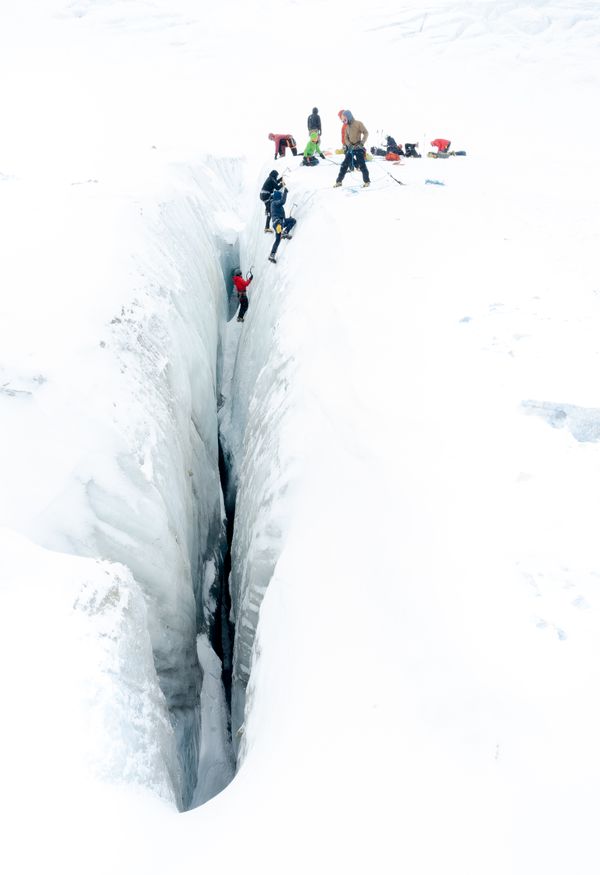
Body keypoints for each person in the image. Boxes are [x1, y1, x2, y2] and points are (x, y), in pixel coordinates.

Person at [333, 110, 370, 187]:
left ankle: (367, 181)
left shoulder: (358, 123)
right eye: (342, 120)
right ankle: (339, 181)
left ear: (349, 117)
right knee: (344, 164)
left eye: (345, 119)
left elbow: (366, 132)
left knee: (362, 165)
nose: (343, 121)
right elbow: (345, 138)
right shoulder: (347, 127)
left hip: (359, 147)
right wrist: (349, 145)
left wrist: (362, 143)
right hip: (351, 148)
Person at [268, 188, 296, 264]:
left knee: (292, 221)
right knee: (280, 225)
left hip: (280, 222)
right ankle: (283, 232)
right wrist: (285, 192)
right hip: (278, 222)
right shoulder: (274, 203)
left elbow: (282, 215)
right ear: (278, 196)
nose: (280, 197)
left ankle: (272, 255)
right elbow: (283, 201)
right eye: (280, 196)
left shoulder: (276, 205)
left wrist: (287, 219)